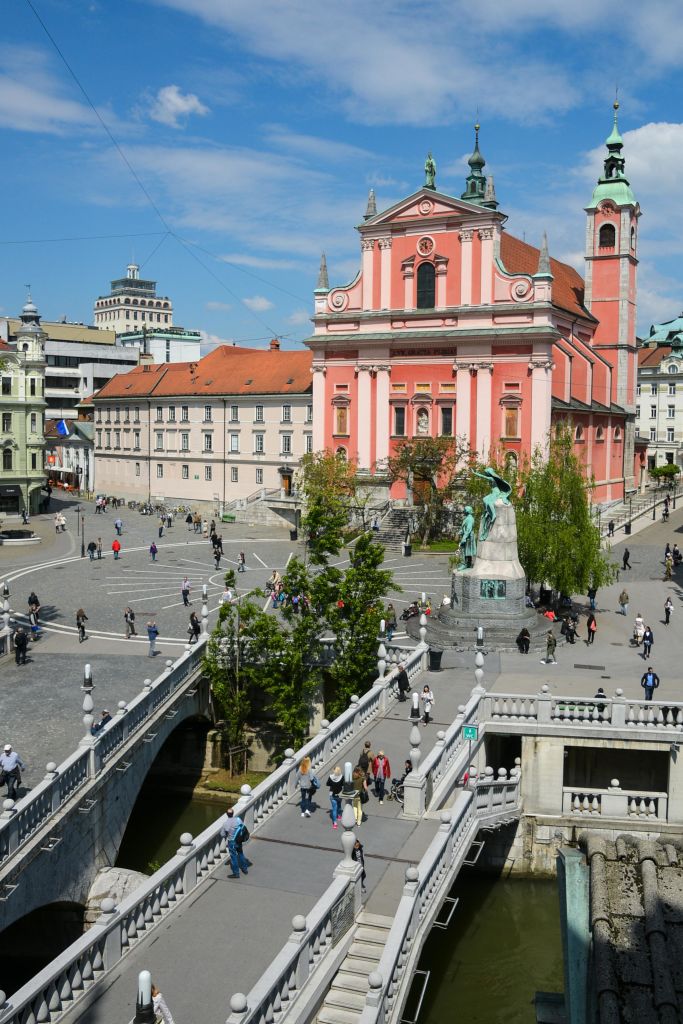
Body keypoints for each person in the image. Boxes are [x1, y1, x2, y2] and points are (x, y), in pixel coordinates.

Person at [220, 807, 251, 879]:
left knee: (233, 857)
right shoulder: (238, 819)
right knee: (241, 854)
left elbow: (222, 834)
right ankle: (245, 869)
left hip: (232, 842)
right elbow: (241, 827)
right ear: (233, 813)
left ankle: (236, 873)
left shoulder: (226, 823)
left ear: (227, 814)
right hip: (239, 840)